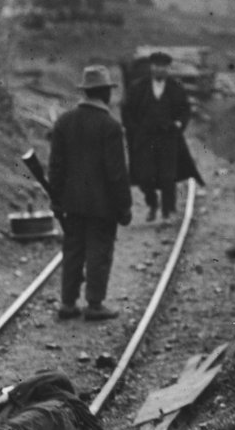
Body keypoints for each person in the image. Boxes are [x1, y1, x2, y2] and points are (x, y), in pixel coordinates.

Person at [47, 64, 133, 321]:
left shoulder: (64, 122)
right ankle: (94, 304)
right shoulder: (110, 127)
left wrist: (56, 198)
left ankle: (68, 303)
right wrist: (124, 206)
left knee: (72, 250)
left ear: (86, 92)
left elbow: (56, 166)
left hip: (70, 203)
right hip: (102, 205)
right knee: (99, 251)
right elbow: (117, 173)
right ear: (105, 93)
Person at [122, 50, 200, 224]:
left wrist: (179, 123)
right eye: (156, 66)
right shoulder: (138, 88)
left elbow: (184, 110)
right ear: (151, 67)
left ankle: (167, 212)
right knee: (144, 176)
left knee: (168, 176)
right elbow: (127, 111)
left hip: (168, 138)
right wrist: (134, 130)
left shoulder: (175, 88)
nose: (159, 70)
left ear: (168, 68)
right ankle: (152, 203)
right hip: (145, 139)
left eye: (163, 67)